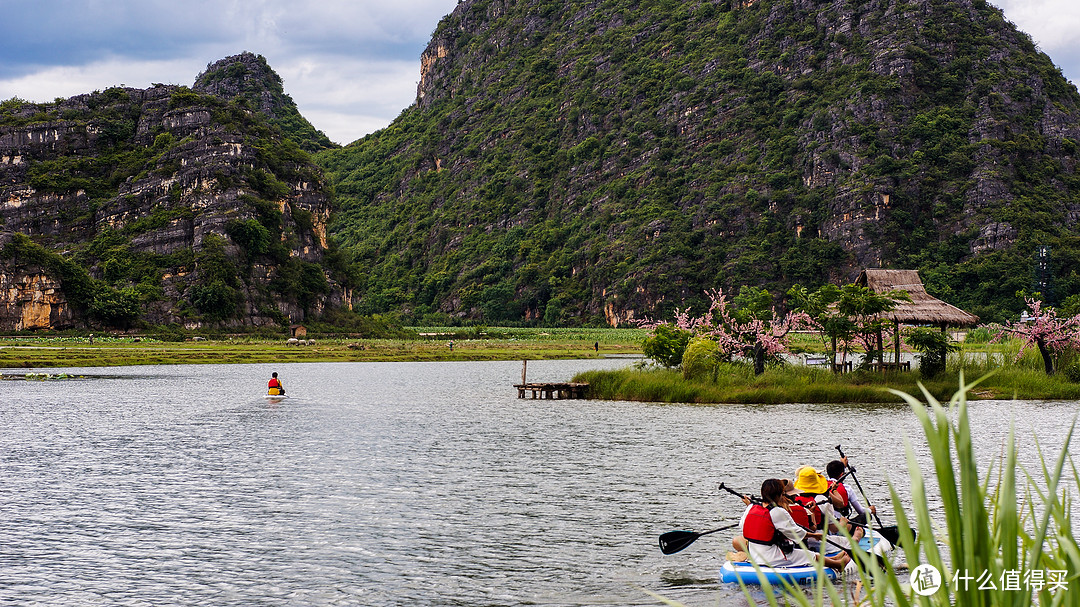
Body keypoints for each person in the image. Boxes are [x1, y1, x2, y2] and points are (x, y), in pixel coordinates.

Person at [734, 478, 849, 572]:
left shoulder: (751, 508)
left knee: (805, 553)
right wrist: (813, 535)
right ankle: (838, 564)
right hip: (771, 557)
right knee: (807, 554)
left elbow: (742, 526)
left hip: (754, 553)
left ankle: (833, 558)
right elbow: (795, 533)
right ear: (779, 495)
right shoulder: (777, 511)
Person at [793, 466, 862, 542]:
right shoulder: (822, 499)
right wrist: (843, 522)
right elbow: (833, 529)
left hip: (800, 538)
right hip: (819, 539)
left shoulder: (794, 498)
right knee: (858, 533)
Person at [826, 459, 876, 526]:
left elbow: (838, 474)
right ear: (842, 474)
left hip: (827, 523)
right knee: (866, 516)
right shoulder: (847, 488)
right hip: (840, 524)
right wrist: (870, 510)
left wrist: (843, 466)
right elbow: (860, 511)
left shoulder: (822, 485)